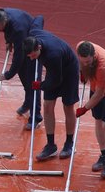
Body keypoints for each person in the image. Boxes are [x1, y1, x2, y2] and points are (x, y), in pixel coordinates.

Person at [22, 30, 80, 161]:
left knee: (68, 106)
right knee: (47, 106)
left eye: (33, 55)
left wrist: (40, 85)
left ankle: (69, 143)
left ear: (39, 48)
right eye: (29, 56)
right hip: (54, 71)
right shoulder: (33, 35)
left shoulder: (52, 55)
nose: (31, 58)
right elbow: (38, 19)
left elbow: (55, 81)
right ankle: (50, 145)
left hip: (68, 71)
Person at [75, 41, 105, 178]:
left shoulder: (103, 67)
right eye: (83, 61)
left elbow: (100, 94)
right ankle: (103, 154)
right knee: (98, 121)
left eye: (89, 62)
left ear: (94, 56)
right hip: (96, 87)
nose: (86, 64)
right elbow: (82, 64)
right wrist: (83, 71)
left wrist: (84, 108)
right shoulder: (81, 46)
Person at [0, 8, 43, 127]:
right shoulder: (3, 13)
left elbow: (19, 56)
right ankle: (28, 103)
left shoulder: (18, 29)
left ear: (4, 21)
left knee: (33, 83)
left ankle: (36, 118)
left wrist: (8, 75)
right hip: (23, 43)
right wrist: (8, 41)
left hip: (33, 50)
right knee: (24, 78)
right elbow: (6, 31)